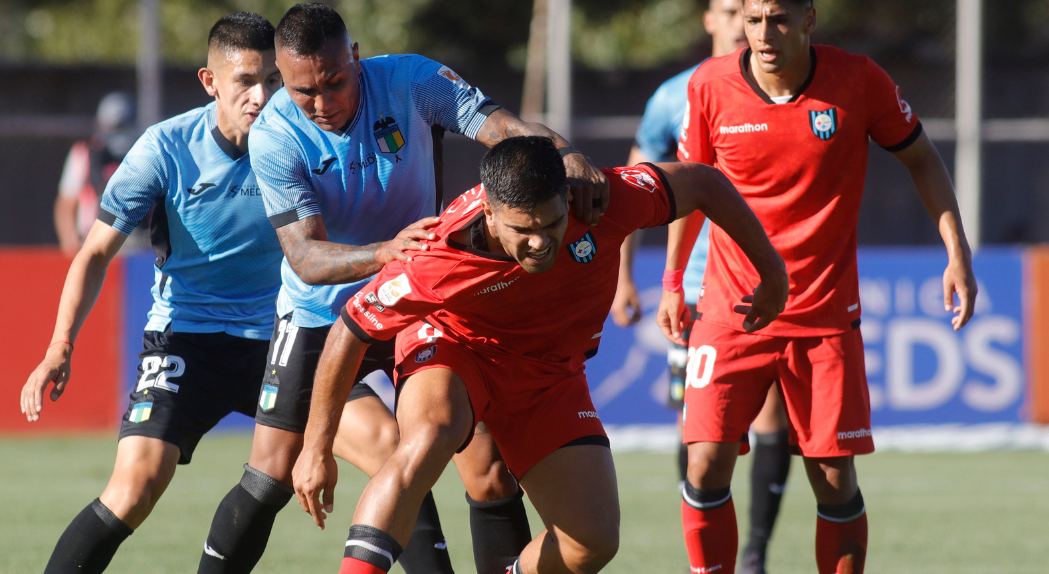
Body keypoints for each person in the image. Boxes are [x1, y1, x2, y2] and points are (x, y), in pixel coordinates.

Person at [197, 3, 611, 574]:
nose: (321, 103)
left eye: (334, 82)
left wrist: (562, 152)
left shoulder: (411, 81)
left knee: (487, 469)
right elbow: (306, 258)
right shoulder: (273, 135)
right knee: (273, 473)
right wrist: (385, 253)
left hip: (422, 299)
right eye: (301, 92)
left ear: (357, 59)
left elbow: (503, 131)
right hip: (321, 313)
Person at [291, 136, 788, 574]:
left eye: (550, 224)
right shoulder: (434, 258)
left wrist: (772, 273)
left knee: (592, 542)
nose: (539, 242)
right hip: (456, 347)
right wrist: (316, 448)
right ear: (489, 213)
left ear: (565, 197)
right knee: (427, 438)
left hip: (549, 372)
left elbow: (703, 182)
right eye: (521, 230)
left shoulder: (602, 201)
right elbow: (348, 331)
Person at [665, 0, 977, 574]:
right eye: (753, 20)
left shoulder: (859, 82)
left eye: (777, 21)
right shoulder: (708, 86)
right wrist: (674, 280)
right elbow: (691, 190)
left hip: (826, 316)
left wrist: (957, 254)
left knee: (833, 477)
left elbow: (922, 159)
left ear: (809, 20)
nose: (761, 35)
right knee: (703, 462)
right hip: (732, 312)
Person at [19, 12, 290, 573]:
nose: (261, 96)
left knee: (383, 449)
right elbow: (93, 252)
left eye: (273, 79)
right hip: (184, 336)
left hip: (280, 338)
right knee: (136, 486)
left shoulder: (303, 141)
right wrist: (59, 346)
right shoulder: (164, 149)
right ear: (210, 82)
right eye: (245, 81)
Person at [610, 0, 791, 574]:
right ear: (712, 22)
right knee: (699, 427)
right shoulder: (674, 96)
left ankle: (755, 554)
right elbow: (636, 188)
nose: (745, 24)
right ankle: (706, 543)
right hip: (695, 287)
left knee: (772, 415)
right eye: (731, 12)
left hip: (764, 280)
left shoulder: (783, 85)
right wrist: (626, 276)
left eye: (753, 14)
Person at [54, 91, 140, 254]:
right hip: (91, 242)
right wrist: (72, 247)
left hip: (135, 245)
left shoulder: (143, 153)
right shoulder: (83, 154)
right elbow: (66, 205)